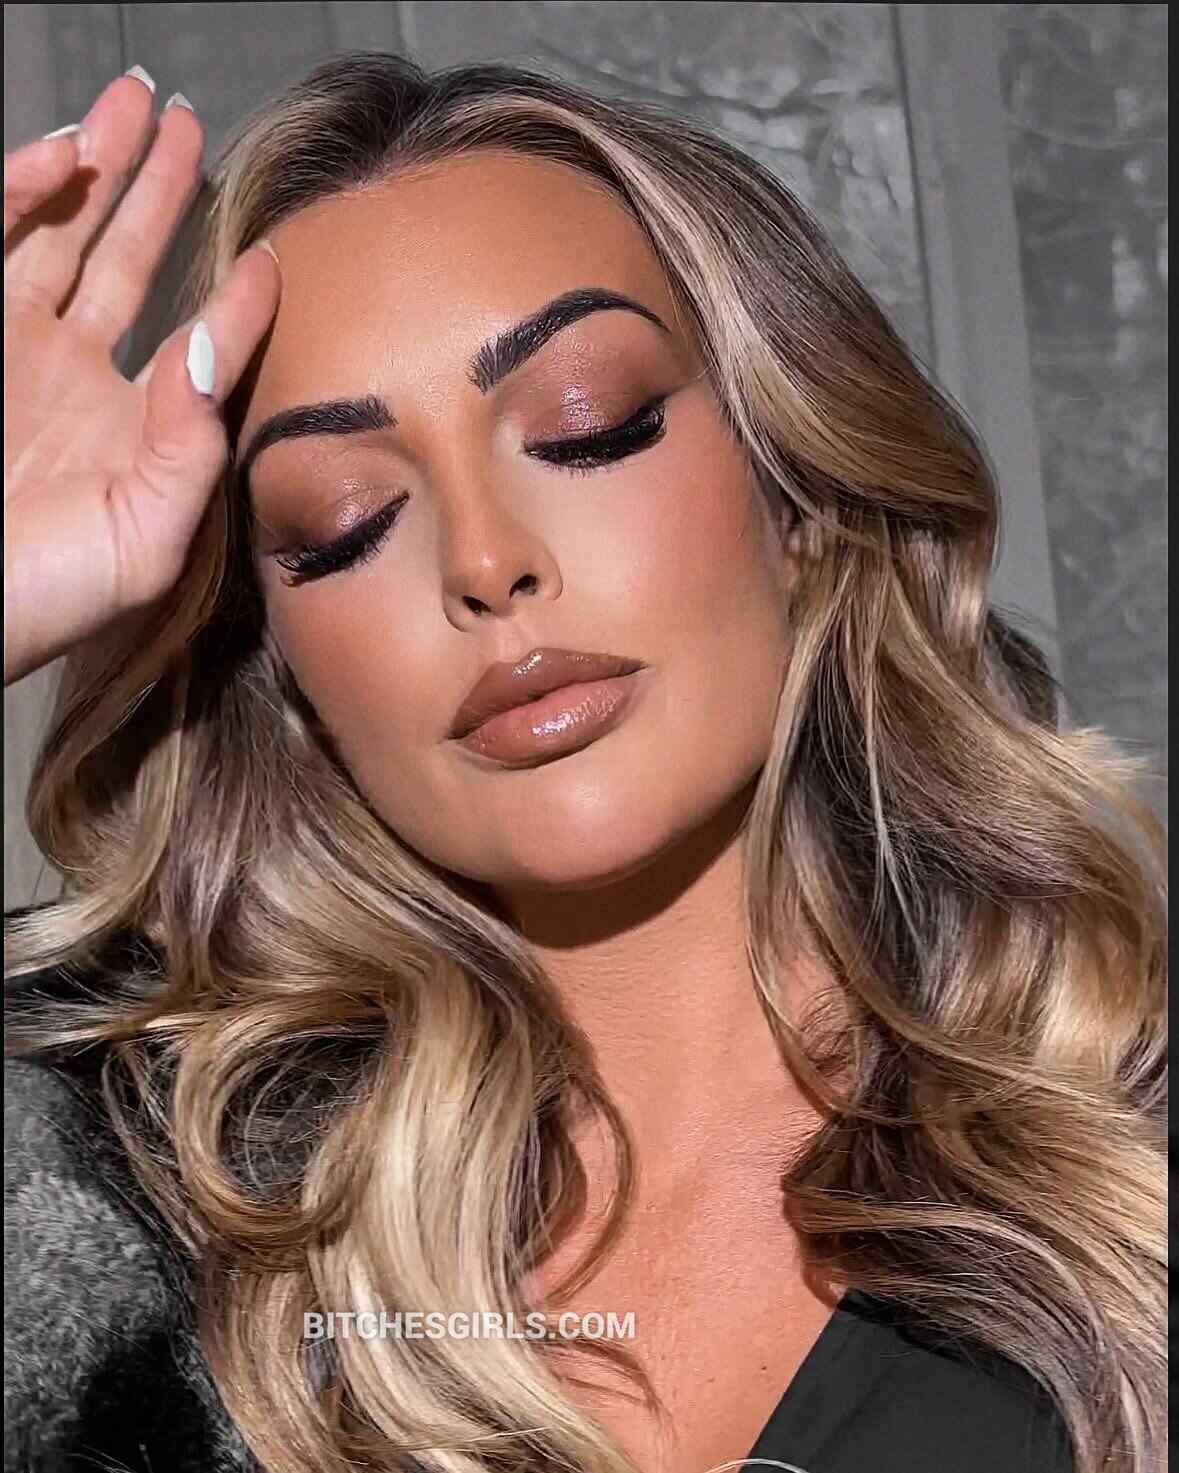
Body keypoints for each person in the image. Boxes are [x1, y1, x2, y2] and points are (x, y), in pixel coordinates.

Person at [2, 52, 1165, 1473]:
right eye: (346, 519)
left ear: (797, 499)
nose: (486, 562)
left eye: (586, 425)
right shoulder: (95, 1174)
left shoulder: (1128, 1158)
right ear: (282, 665)